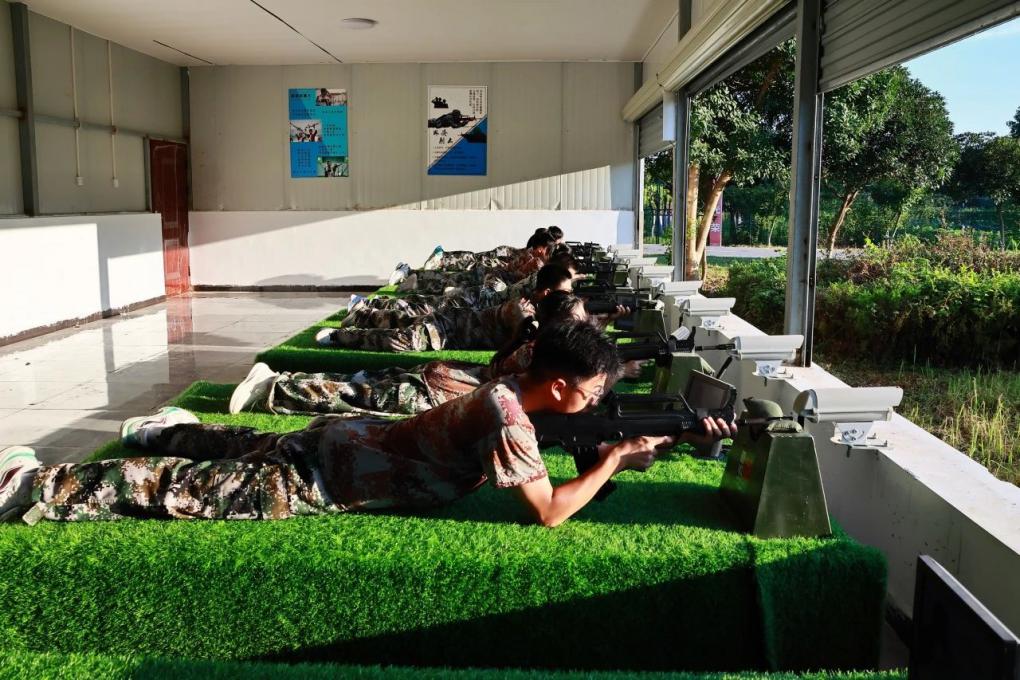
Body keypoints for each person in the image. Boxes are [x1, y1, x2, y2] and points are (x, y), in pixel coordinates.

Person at [0, 322, 735, 526]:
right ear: (561, 386)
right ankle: (33, 485)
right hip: (332, 474)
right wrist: (612, 460)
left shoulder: (514, 382)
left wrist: (668, 434)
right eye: (595, 388)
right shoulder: (512, 415)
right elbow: (547, 511)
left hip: (347, 436)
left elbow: (568, 417)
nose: (600, 395)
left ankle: (158, 427)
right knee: (186, 489)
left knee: (237, 442)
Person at [230, 291, 586, 418]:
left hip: (450, 377)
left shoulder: (534, 343)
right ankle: (274, 389)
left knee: (362, 381)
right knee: (358, 394)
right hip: (446, 391)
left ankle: (279, 381)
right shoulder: (540, 352)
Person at [342, 263, 574, 330]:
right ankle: (366, 305)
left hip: (482, 303)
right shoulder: (540, 284)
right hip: (477, 301)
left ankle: (368, 307)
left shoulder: (545, 284)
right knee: (424, 308)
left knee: (425, 307)